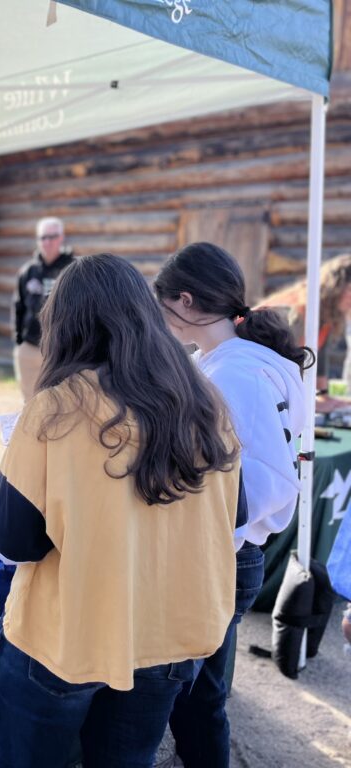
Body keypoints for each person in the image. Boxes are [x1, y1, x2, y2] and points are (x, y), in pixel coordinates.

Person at [0, 253, 244, 768]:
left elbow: (11, 540)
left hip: (64, 637)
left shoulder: (56, 409)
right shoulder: (205, 401)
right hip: (168, 637)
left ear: (65, 325)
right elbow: (231, 518)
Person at [154, 242, 311, 768]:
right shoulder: (246, 361)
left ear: (186, 301)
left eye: (163, 305)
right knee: (203, 694)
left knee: (195, 700)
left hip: (222, 555)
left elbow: (264, 481)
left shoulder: (232, 375)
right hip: (234, 552)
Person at [257, 253, 351, 384]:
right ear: (335, 287)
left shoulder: (326, 317)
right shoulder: (297, 311)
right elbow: (277, 370)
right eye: (350, 290)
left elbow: (319, 376)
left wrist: (326, 399)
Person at [14, 216, 75, 402]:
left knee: (61, 404)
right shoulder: (28, 271)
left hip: (62, 351)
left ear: (61, 237)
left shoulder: (74, 269)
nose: (47, 242)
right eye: (43, 237)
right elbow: (18, 306)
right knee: (30, 403)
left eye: (52, 236)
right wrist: (19, 340)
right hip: (31, 347)